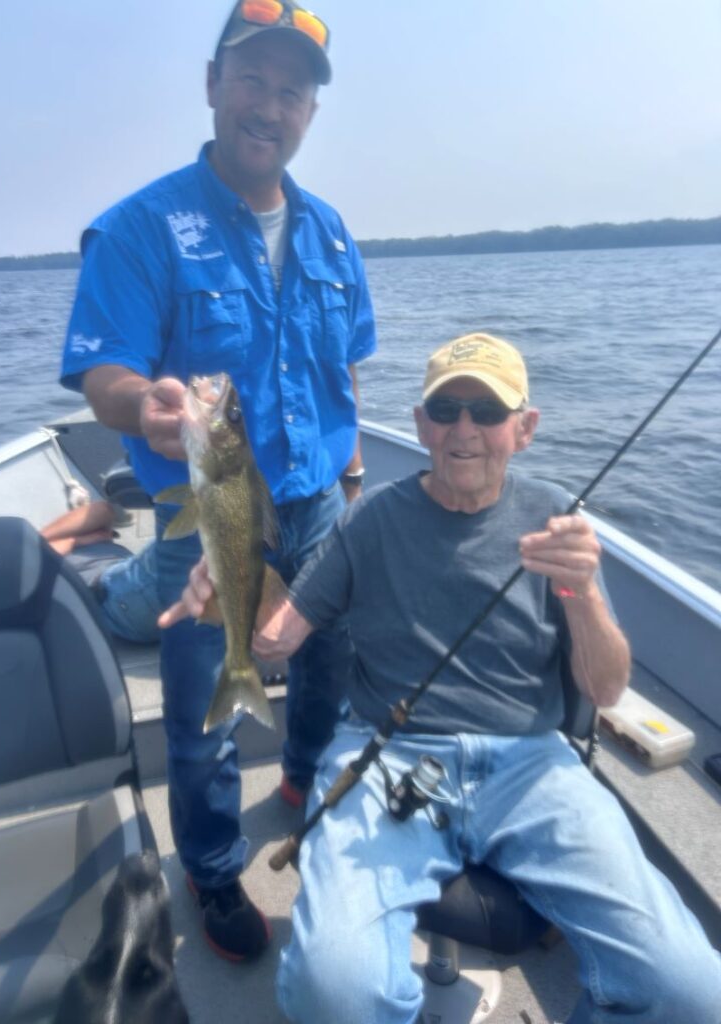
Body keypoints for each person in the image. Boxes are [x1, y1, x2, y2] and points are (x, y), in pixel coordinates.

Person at [164, 332, 721, 1023]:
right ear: (421, 424)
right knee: (333, 990)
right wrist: (224, 588)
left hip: (533, 763)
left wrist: (586, 593)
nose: (465, 429)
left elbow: (605, 691)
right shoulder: (370, 520)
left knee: (693, 990)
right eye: (447, 408)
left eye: (487, 413)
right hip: (385, 752)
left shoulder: (558, 518)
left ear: (525, 428)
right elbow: (276, 640)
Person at [59, 0, 376, 963]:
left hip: (320, 500)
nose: (269, 106)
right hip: (204, 516)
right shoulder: (140, 228)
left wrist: (355, 480)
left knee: (324, 662)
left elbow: (345, 373)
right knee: (204, 708)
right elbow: (105, 371)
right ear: (212, 86)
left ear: (310, 114)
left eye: (292, 90)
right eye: (252, 80)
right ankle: (209, 863)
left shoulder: (330, 235)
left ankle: (303, 777)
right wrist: (141, 408)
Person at [40, 501, 161, 645]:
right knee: (179, 546)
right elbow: (35, 552)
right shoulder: (33, 557)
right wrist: (78, 540)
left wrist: (41, 538)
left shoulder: (47, 539)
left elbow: (102, 510)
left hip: (128, 577)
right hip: (114, 595)